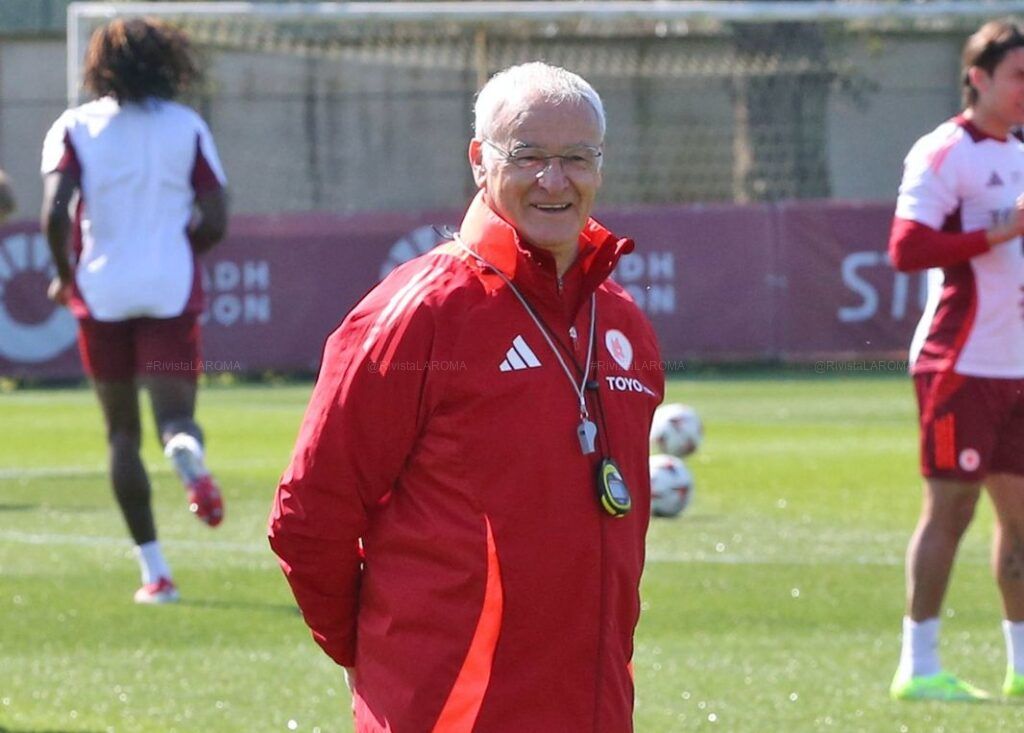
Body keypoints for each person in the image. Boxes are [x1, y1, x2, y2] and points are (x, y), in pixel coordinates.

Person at [269, 62, 664, 731]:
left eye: (576, 157)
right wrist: (371, 655)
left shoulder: (622, 320)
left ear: (601, 164)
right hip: (448, 709)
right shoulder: (422, 312)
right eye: (529, 155)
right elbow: (310, 515)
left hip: (592, 709)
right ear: (481, 160)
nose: (554, 179)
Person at [40, 17, 229, 605]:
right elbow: (217, 216)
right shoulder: (186, 125)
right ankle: (184, 447)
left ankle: (156, 573)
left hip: (102, 292)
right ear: (170, 63)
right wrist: (180, 252)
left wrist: (65, 275)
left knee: (121, 433)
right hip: (169, 288)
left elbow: (54, 211)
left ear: (98, 66)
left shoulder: (74, 125)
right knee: (174, 418)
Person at [888, 18, 1024, 701]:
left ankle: (1020, 664)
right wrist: (1001, 229)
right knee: (951, 510)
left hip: (1017, 363)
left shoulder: (1022, 154)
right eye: (1018, 76)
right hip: (960, 360)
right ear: (978, 77)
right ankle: (919, 665)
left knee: (1021, 517)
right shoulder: (945, 152)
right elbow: (906, 249)